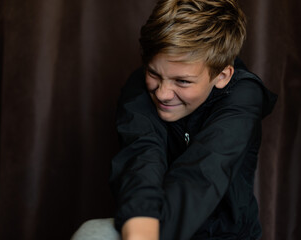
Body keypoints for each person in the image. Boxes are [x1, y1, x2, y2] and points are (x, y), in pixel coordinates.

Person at [71, 0, 277, 239]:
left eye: (182, 81)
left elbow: (205, 171)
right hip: (152, 220)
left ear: (222, 76)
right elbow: (141, 158)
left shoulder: (244, 95)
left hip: (227, 235)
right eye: (153, 73)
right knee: (93, 233)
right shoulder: (139, 89)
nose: (162, 93)